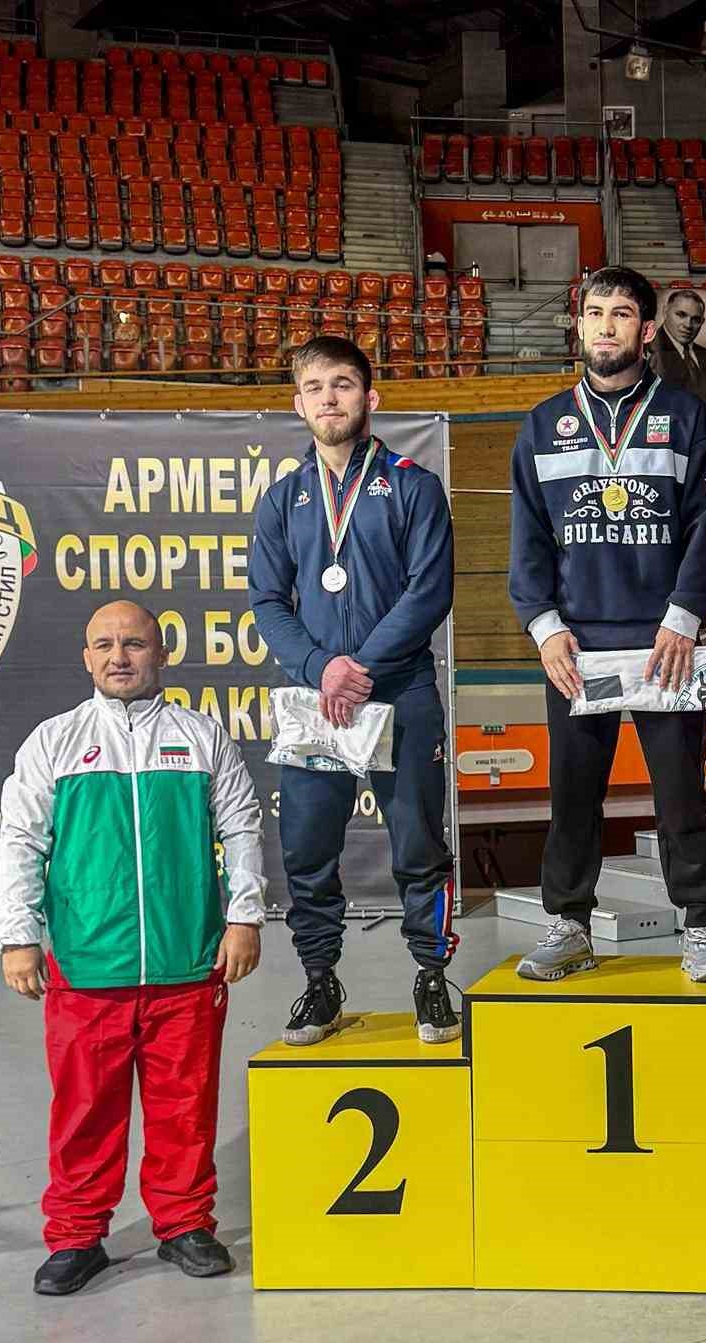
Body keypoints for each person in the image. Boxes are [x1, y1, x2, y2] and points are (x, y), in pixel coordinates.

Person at [0, 602, 265, 1296]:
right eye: (105, 645)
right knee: (84, 1111)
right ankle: (77, 1237)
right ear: (86, 657)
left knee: (186, 1107)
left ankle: (184, 1225)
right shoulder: (54, 742)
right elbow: (20, 841)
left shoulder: (201, 738)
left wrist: (244, 916)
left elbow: (241, 828)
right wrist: (19, 936)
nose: (119, 656)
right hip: (86, 967)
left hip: (187, 962)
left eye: (134, 643)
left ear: (161, 652)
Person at [509, 264, 706, 982]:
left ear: (646, 329)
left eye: (622, 314)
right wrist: (545, 628)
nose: (606, 326)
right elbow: (528, 539)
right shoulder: (542, 426)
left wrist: (684, 618)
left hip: (666, 644)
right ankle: (569, 923)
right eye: (595, 312)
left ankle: (699, 924)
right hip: (578, 647)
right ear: (579, 325)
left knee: (680, 792)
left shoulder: (687, 416)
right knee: (574, 794)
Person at [249, 335, 459, 1047]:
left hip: (399, 692)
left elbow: (429, 591)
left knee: (418, 844)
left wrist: (359, 667)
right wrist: (320, 669)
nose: (329, 398)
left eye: (342, 384)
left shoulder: (412, 486)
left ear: (371, 397)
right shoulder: (283, 499)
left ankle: (431, 976)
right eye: (314, 387)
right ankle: (320, 981)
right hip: (316, 704)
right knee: (307, 849)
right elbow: (267, 600)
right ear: (298, 404)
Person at [649, 288, 706, 416]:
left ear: (702, 322)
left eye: (696, 319)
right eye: (681, 315)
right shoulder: (649, 352)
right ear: (665, 311)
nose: (688, 325)